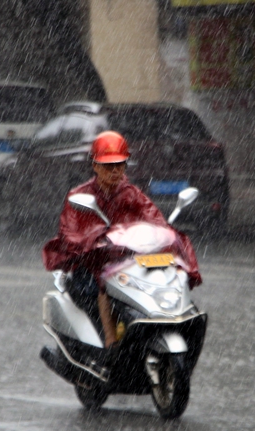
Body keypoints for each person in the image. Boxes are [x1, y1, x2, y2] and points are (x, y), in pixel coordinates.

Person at [42, 131, 201, 350]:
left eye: (120, 165)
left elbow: (154, 220)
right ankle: (110, 344)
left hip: (129, 262)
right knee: (102, 285)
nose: (115, 171)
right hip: (91, 264)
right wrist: (98, 242)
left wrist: (163, 235)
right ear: (95, 166)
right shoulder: (80, 196)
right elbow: (71, 235)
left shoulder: (132, 194)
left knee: (167, 275)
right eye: (108, 166)